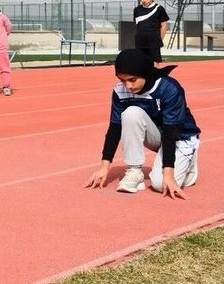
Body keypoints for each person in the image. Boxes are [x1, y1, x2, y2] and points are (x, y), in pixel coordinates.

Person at [84, 49, 200, 199]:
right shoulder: (120, 91)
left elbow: (171, 132)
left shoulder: (168, 88)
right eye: (122, 80)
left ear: (145, 73)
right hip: (157, 136)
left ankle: (189, 165)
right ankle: (134, 171)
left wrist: (169, 172)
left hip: (180, 137)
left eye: (132, 80)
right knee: (130, 113)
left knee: (160, 184)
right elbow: (114, 128)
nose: (128, 86)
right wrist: (104, 166)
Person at [133, 0, 169, 64]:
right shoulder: (137, 10)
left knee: (154, 65)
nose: (144, 0)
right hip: (140, 43)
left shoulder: (159, 8)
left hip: (154, 42)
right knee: (141, 65)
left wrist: (159, 39)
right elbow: (137, 25)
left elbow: (164, 25)